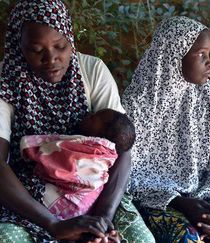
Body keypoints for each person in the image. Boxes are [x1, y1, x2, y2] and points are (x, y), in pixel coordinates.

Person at [0, 1, 154, 242]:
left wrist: (101, 220)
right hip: (28, 199)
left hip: (97, 193)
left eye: (60, 46)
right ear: (18, 46)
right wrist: (53, 224)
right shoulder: (6, 80)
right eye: (35, 49)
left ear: (70, 38)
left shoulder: (91, 70)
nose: (51, 58)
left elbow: (123, 149)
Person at [122, 16, 210, 242]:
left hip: (205, 197)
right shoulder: (140, 103)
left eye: (209, 54)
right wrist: (178, 202)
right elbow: (128, 176)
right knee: (185, 238)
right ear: (173, 54)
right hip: (155, 201)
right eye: (201, 54)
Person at [21, 109, 135, 221]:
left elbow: (52, 152)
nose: (89, 114)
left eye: (93, 117)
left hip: (66, 205)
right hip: (83, 212)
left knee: (21, 182)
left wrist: (32, 147)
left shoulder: (88, 147)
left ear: (100, 136)